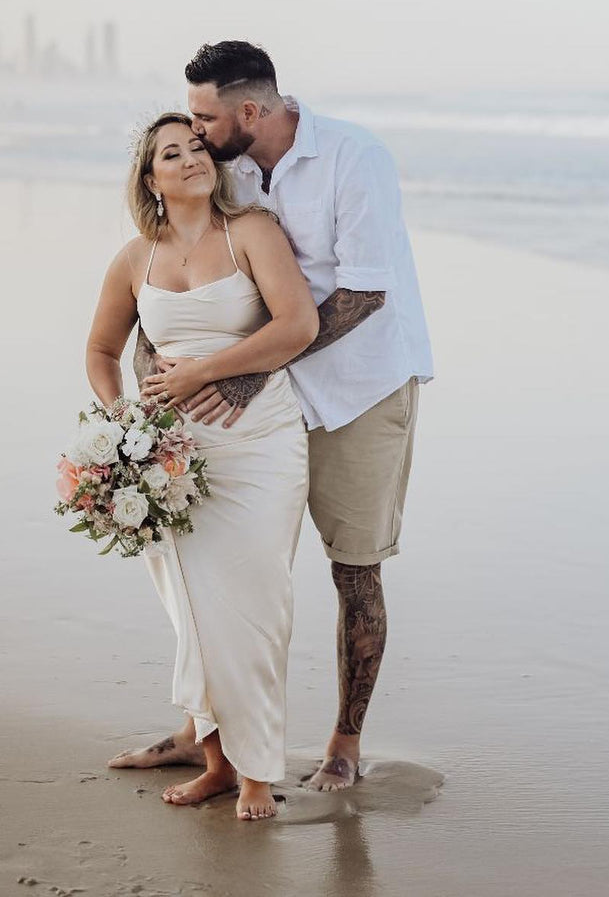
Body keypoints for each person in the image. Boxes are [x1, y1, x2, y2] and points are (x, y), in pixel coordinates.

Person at [119, 40, 433, 791]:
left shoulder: (356, 159)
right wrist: (149, 379)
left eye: (204, 116)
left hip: (358, 390)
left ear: (249, 111)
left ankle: (344, 740)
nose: (195, 133)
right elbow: (185, 262)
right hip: (252, 394)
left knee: (354, 569)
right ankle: (206, 732)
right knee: (222, 566)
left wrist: (245, 367)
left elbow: (362, 295)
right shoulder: (226, 164)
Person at [85, 113, 319, 820]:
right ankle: (219, 764)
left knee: (254, 608)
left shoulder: (251, 231)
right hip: (171, 457)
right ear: (149, 178)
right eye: (170, 153)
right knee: (195, 613)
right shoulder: (135, 259)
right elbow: (99, 352)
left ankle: (257, 774)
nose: (189, 159)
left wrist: (205, 371)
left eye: (195, 146)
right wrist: (122, 415)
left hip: (260, 441)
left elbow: (297, 325)